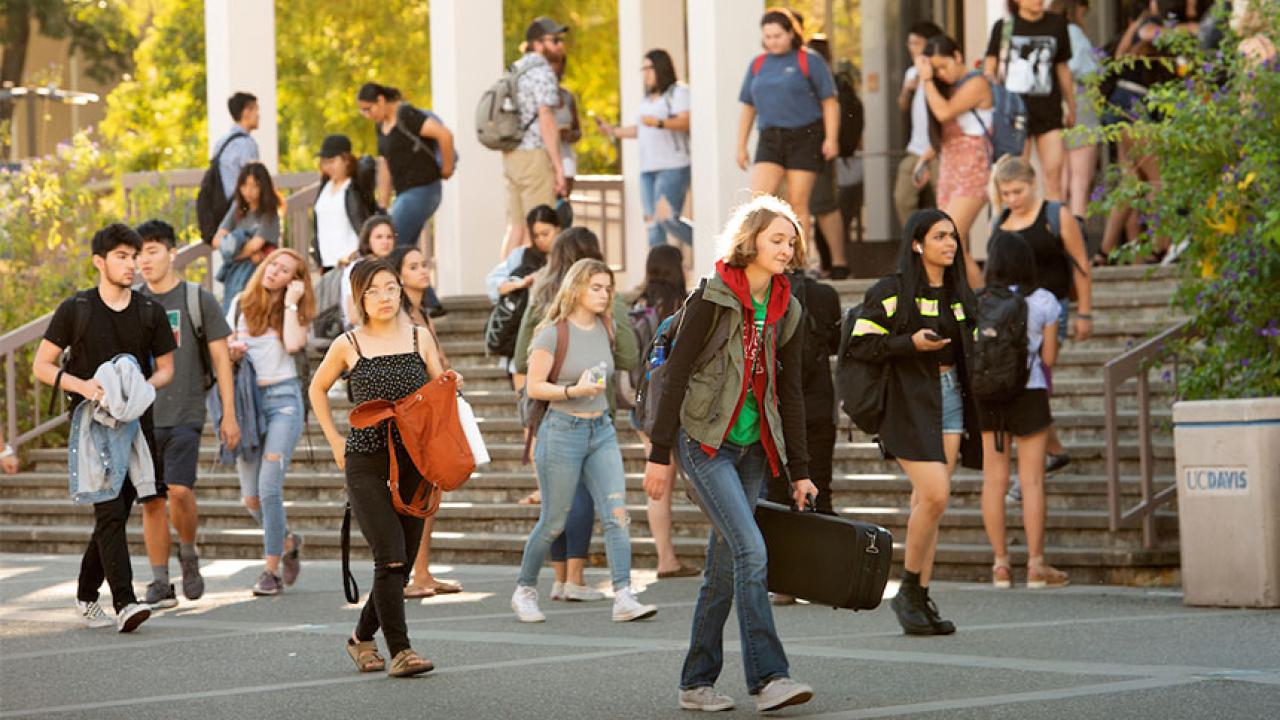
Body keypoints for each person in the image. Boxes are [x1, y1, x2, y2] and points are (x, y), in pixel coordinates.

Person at [641, 195, 817, 713]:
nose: (787, 249)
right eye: (777, 240)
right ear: (750, 241)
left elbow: (793, 393)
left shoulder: (787, 308)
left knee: (723, 570)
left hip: (752, 450)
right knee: (751, 550)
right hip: (704, 443)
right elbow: (674, 377)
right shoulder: (712, 299)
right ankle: (769, 678)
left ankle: (695, 683)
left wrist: (800, 471)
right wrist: (659, 452)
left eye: (791, 241)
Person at [33, 223, 177, 632]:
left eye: (134, 257)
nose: (132, 264)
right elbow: (41, 365)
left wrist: (137, 390)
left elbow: (166, 368)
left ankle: (84, 593)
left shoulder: (149, 312)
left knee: (117, 511)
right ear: (100, 261)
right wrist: (85, 387)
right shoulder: (75, 308)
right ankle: (126, 602)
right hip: (92, 427)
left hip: (136, 427)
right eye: (122, 257)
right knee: (110, 510)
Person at [848, 208, 981, 636]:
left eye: (954, 237)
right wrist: (910, 344)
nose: (950, 244)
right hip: (907, 404)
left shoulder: (959, 293)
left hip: (951, 400)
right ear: (917, 244)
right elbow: (861, 344)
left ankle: (920, 596)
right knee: (936, 494)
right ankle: (906, 590)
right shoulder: (892, 291)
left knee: (928, 506)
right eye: (941, 236)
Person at [309, 259, 443, 677]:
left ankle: (360, 639)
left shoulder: (421, 337)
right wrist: (334, 439)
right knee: (390, 558)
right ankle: (401, 651)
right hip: (366, 461)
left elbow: (443, 391)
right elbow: (316, 387)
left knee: (398, 567)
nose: (384, 297)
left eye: (390, 287)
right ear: (358, 298)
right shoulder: (349, 343)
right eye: (372, 290)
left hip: (416, 463)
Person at [511, 257, 658, 624]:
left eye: (608, 288)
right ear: (575, 288)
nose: (604, 294)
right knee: (553, 521)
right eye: (596, 287)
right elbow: (534, 385)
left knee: (617, 515)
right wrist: (573, 389)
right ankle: (524, 590)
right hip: (562, 430)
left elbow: (623, 361)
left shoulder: (607, 327)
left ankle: (623, 595)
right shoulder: (552, 333)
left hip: (601, 430)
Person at [135, 220, 239, 609]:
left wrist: (229, 414)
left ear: (172, 253)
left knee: (179, 490)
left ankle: (189, 551)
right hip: (141, 418)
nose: (145, 261)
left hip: (185, 412)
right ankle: (161, 582)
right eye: (139, 253)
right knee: (151, 501)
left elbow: (221, 361)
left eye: (152, 251)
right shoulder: (133, 303)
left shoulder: (197, 300)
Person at [978, 231, 1071, 590]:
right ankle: (1036, 564)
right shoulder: (1044, 300)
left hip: (989, 397)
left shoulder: (980, 301)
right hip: (1030, 393)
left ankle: (1000, 564)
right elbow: (1048, 359)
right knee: (1031, 481)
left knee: (993, 481)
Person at [991, 155, 1092, 475]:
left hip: (1051, 309)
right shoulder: (1000, 221)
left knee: (1036, 379)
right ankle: (1053, 449)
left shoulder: (1055, 214)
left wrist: (1085, 313)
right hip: (1009, 316)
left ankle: (1042, 456)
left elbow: (1080, 264)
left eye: (1017, 191)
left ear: (1033, 183)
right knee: (1024, 384)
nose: (1012, 199)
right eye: (1005, 193)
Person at [225, 248, 315, 596]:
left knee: (268, 488)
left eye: (285, 271)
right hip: (249, 404)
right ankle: (289, 540)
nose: (275, 272)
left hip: (284, 403)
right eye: (273, 264)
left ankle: (271, 571)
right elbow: (223, 351)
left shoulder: (297, 311)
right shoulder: (239, 304)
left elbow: (293, 344)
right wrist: (232, 350)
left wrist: (292, 302)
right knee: (250, 500)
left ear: (294, 281)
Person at [386, 246, 463, 599]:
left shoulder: (421, 311)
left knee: (431, 497)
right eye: (413, 266)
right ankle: (408, 574)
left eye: (424, 264)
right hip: (412, 413)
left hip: (432, 409)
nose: (422, 270)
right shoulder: (401, 315)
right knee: (416, 496)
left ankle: (422, 572)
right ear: (399, 275)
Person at [736, 8, 839, 251]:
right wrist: (741, 145)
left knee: (798, 202)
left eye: (778, 36)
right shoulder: (758, 64)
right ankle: (755, 253)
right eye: (768, 36)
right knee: (759, 201)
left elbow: (829, 102)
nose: (772, 41)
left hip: (805, 137)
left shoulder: (809, 60)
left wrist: (831, 138)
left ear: (792, 33)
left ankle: (798, 259)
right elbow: (749, 107)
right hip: (770, 137)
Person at [628, 245, 699, 579]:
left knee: (658, 481)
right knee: (692, 478)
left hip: (644, 406)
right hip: (676, 403)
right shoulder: (683, 306)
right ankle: (670, 561)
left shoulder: (638, 307)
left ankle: (665, 557)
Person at [596, 48, 694, 249]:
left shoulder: (678, 92)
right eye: (644, 69)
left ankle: (714, 248)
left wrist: (658, 122)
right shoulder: (647, 99)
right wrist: (613, 131)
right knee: (652, 225)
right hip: (647, 169)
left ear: (661, 67)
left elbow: (685, 121)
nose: (646, 73)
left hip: (673, 166)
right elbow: (640, 128)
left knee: (666, 218)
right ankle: (659, 276)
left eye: (650, 68)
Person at [919, 34, 993, 289]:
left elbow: (944, 113)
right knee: (949, 243)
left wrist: (926, 79)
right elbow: (949, 132)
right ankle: (970, 302)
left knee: (949, 239)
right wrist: (924, 160)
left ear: (958, 56)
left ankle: (985, 303)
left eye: (943, 66)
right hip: (950, 168)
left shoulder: (977, 83)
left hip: (974, 168)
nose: (940, 73)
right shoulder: (947, 89)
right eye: (935, 69)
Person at [984, 0, 1076, 202]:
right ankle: (1014, 231)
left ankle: (1054, 230)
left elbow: (1063, 68)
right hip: (1013, 115)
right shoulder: (1004, 27)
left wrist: (1072, 106)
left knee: (1054, 179)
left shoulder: (1057, 24)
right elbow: (989, 71)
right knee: (1015, 178)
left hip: (1049, 112)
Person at [499, 17, 570, 259]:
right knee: (539, 229)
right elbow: (546, 118)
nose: (560, 45)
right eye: (555, 40)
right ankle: (530, 291)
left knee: (516, 227)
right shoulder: (542, 72)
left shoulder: (515, 69)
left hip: (512, 154)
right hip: (534, 155)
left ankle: (503, 288)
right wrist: (558, 167)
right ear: (537, 44)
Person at [355, 82, 455, 249]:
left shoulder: (406, 115)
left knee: (386, 244)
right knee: (403, 249)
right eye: (362, 111)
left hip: (424, 189)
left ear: (380, 100)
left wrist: (447, 168)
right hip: (404, 193)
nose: (366, 115)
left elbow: (444, 135)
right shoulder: (380, 126)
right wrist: (382, 204)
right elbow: (385, 164)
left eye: (368, 109)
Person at [485, 205, 559, 385]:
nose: (540, 240)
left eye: (545, 233)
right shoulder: (522, 255)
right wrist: (522, 283)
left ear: (558, 229)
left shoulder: (569, 254)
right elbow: (494, 284)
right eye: (536, 235)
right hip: (523, 333)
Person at [1052, 0, 1101, 230]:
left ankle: (1058, 239)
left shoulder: (1049, 33)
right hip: (1080, 105)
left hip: (1055, 107)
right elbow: (1088, 72)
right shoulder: (1075, 34)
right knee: (1080, 182)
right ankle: (1078, 239)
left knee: (1059, 182)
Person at [805, 35, 851, 279]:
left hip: (818, 150)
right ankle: (833, 263)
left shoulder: (823, 82)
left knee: (823, 207)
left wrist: (829, 141)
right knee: (820, 208)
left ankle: (834, 263)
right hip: (814, 150)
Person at [212, 162, 281, 313]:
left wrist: (231, 251)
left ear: (263, 187)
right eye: (244, 185)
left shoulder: (268, 213)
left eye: (254, 186)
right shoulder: (237, 208)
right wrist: (239, 248)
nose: (248, 191)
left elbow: (256, 244)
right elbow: (216, 240)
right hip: (236, 273)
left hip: (258, 273)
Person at [896, 22, 944, 230]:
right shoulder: (911, 72)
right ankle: (914, 246)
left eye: (916, 43)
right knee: (902, 198)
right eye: (910, 43)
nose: (912, 47)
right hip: (916, 148)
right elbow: (902, 105)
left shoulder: (943, 72)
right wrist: (908, 88)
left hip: (940, 149)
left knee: (945, 203)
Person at [311, 134, 372, 273]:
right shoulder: (325, 187)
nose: (328, 166)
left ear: (347, 160)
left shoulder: (354, 188)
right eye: (324, 162)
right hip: (328, 263)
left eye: (332, 161)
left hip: (352, 262)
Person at [341, 216, 399, 330]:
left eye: (389, 237)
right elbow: (353, 315)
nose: (385, 242)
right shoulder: (358, 268)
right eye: (379, 237)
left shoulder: (392, 267)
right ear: (368, 240)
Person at [212, 92, 261, 202]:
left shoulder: (220, 143)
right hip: (240, 207)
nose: (258, 115)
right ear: (246, 112)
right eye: (256, 110)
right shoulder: (247, 144)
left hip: (220, 207)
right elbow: (253, 182)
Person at [550, 54, 582, 196]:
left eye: (560, 64)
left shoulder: (568, 97)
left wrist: (569, 135)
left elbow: (578, 131)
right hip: (545, 158)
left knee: (563, 204)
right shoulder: (537, 97)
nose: (557, 68)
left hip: (566, 157)